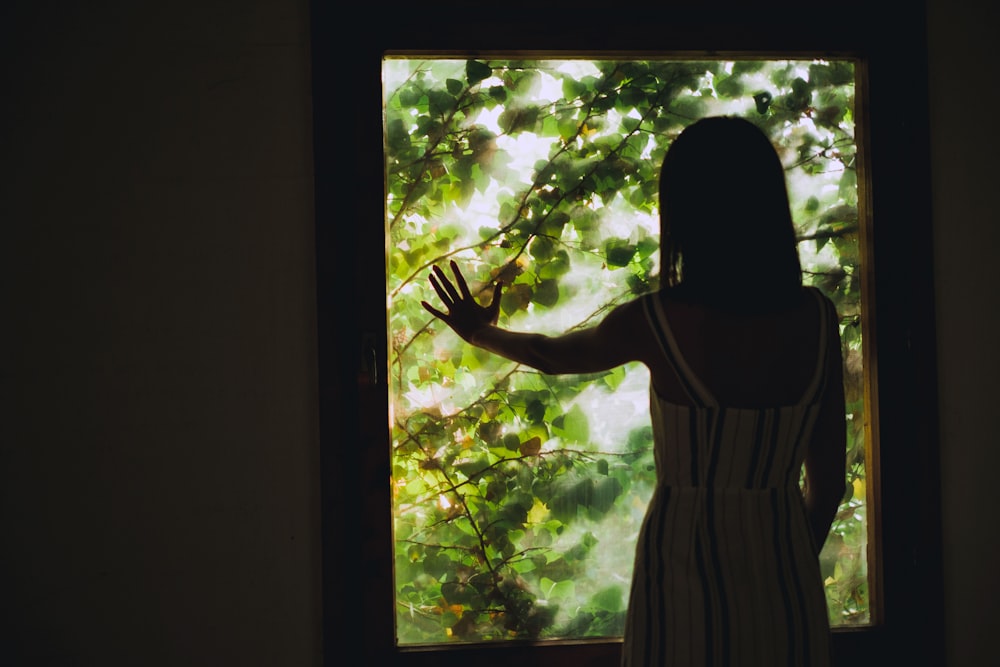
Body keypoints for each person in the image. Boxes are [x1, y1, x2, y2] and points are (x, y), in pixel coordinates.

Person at [422, 116, 846, 667]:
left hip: (681, 575)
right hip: (788, 588)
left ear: (687, 215)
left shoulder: (658, 320)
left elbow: (553, 354)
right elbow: (829, 484)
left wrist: (479, 331)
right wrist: (783, 557)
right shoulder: (816, 318)